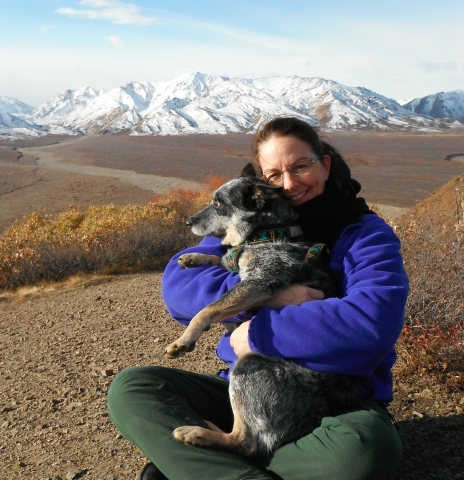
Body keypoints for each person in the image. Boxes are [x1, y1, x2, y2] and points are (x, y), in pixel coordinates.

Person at [107, 117, 409, 480]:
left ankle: (208, 467)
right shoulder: (247, 222)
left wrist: (255, 334)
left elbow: (372, 325)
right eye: (273, 176)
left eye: (302, 166)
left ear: (325, 164)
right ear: (258, 184)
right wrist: (271, 297)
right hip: (244, 392)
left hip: (333, 397)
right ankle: (251, 466)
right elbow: (179, 287)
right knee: (132, 389)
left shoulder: (366, 234)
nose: (290, 184)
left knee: (365, 447)